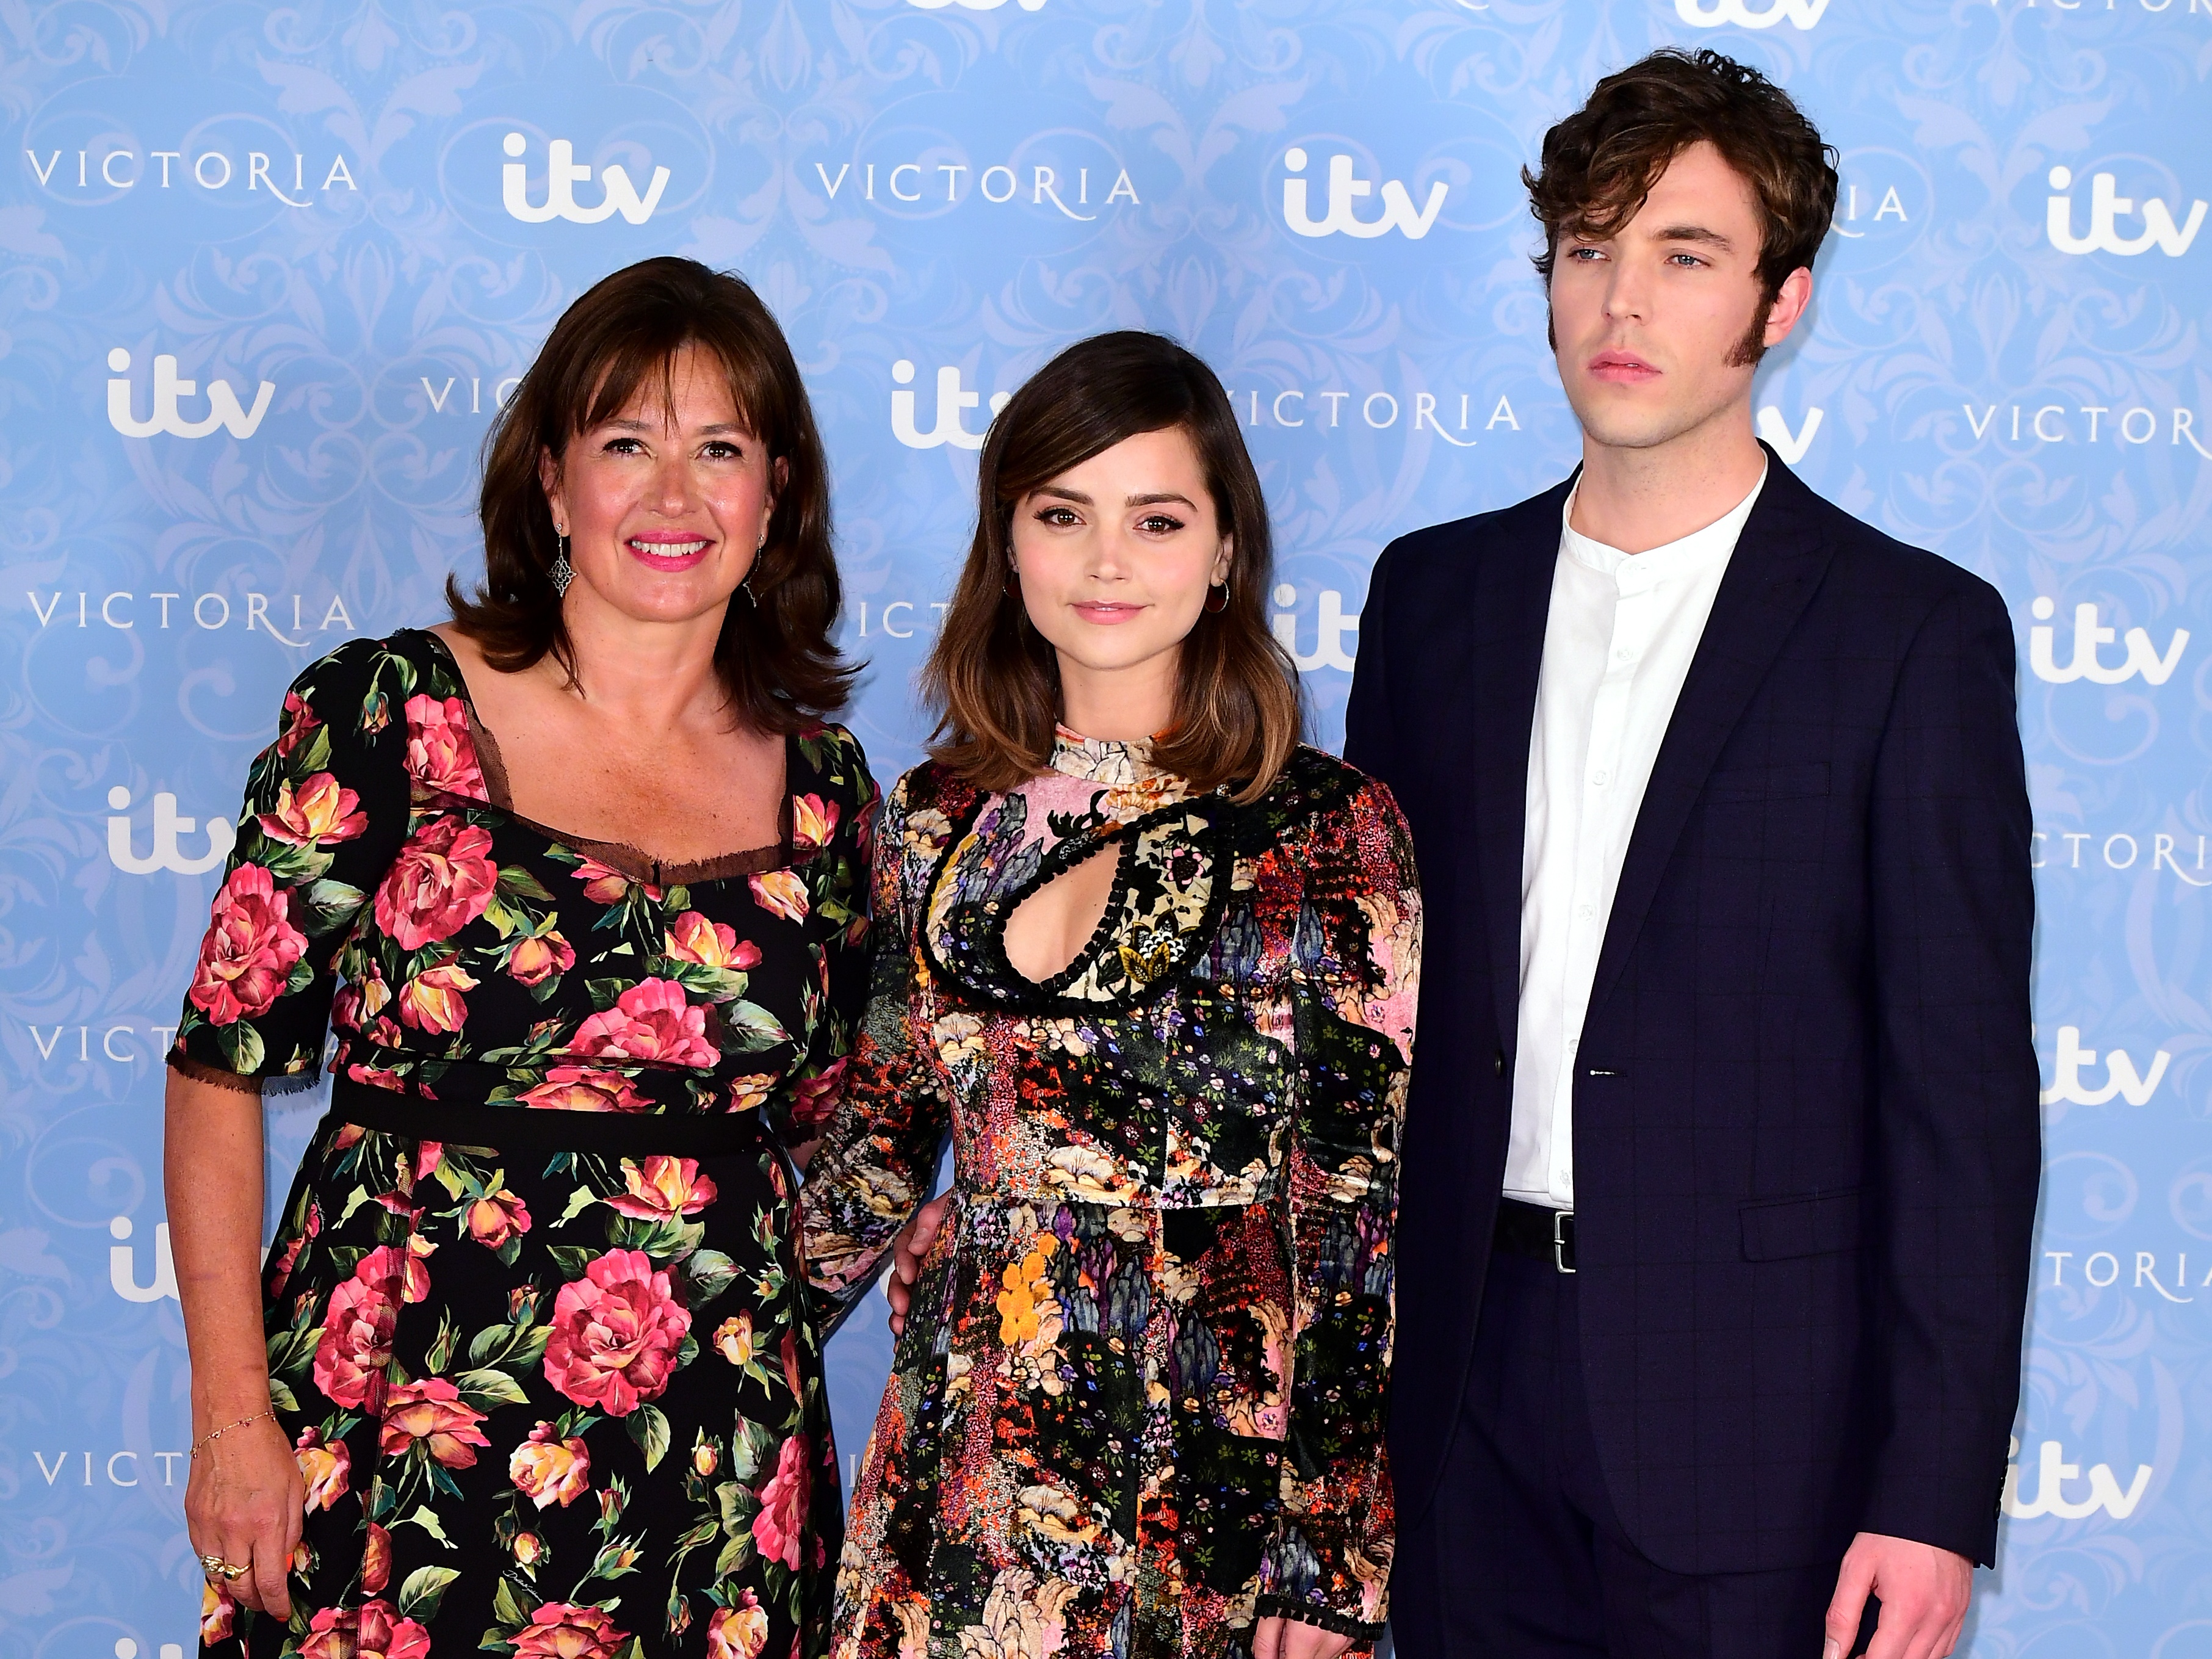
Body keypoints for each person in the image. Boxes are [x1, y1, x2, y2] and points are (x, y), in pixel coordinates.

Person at [1345, 49, 2040, 1659]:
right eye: (1588, 248)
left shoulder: (1907, 634)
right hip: (1459, 1398)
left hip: (1760, 1428)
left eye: (1684, 254)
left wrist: (1931, 1491)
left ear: (1782, 302)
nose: (1621, 303)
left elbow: (1961, 1104)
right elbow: (1367, 1036)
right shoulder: (1430, 602)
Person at [165, 256, 873, 1656]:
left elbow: (840, 1117)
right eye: (628, 445)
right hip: (399, 1414)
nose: (674, 497)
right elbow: (218, 1074)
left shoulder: (828, 789)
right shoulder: (389, 713)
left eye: (718, 449)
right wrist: (235, 1422)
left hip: (716, 1457)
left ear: (774, 491)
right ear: (553, 483)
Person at [800, 332, 1420, 1659]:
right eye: (1062, 515)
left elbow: (1361, 1224)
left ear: (1225, 550)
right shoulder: (927, 824)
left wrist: (1333, 1568)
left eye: (1156, 518)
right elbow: (874, 1155)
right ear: (1009, 545)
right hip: (962, 1491)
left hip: (1207, 1499)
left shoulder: (1326, 831)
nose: (1105, 561)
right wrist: (681, 1314)